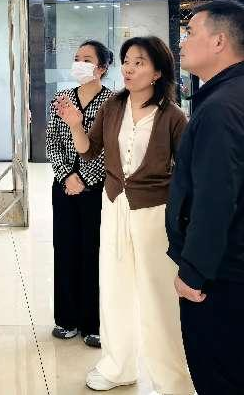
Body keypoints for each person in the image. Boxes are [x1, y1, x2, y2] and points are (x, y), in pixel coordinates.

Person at [58, 37, 194, 394]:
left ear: (158, 72)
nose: (129, 69)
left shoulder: (173, 115)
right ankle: (118, 367)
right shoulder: (114, 105)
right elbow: (89, 151)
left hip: (155, 212)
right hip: (114, 204)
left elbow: (188, 171)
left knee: (158, 296)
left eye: (139, 62)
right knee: (114, 288)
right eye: (127, 62)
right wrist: (75, 124)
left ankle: (172, 380)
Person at [165, 0, 244, 395]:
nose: (182, 43)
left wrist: (193, 272)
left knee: (221, 376)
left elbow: (214, 201)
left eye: (190, 33)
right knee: (243, 369)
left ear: (218, 42)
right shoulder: (240, 93)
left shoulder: (222, 108)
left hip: (222, 272)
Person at [45, 40, 114, 348]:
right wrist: (67, 176)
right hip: (64, 187)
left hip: (97, 188)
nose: (79, 63)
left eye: (87, 59)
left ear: (102, 68)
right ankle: (66, 318)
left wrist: (85, 179)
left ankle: (93, 322)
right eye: (76, 58)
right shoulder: (61, 100)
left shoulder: (113, 103)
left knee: (94, 252)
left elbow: (110, 149)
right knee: (65, 249)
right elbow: (51, 142)